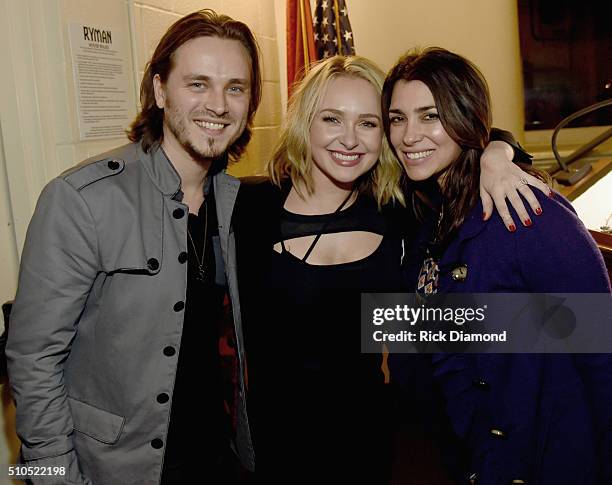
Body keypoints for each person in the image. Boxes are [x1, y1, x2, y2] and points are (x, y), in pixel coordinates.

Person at [235, 54, 548, 484]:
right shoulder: (248, 208)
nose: (350, 140)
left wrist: (498, 152)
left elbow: (461, 137)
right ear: (304, 122)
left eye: (368, 123)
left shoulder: (400, 207)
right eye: (331, 119)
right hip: (274, 447)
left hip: (369, 441)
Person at [6, 10, 260, 485]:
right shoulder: (82, 199)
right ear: (161, 90)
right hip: (116, 470)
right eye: (198, 84)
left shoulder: (238, 202)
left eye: (235, 87)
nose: (218, 105)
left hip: (217, 458)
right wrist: (52, 479)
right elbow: (32, 360)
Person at [383, 47, 612, 484]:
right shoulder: (425, 215)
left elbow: (601, 353)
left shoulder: (527, 212)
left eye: (430, 115)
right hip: (470, 458)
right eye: (397, 118)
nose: (409, 135)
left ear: (466, 116)